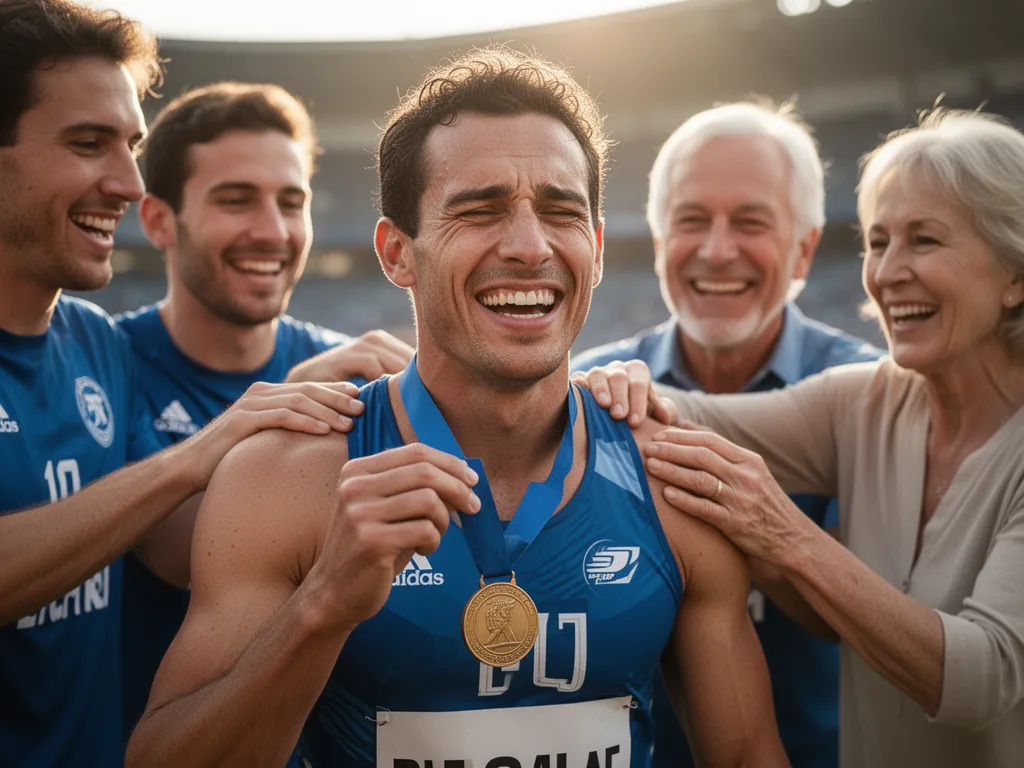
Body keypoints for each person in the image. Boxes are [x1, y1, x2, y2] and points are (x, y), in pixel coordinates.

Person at [125, 47, 788, 768]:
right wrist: (322, 606)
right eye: (481, 209)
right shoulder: (282, 478)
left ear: (596, 249)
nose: (531, 247)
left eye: (562, 212)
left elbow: (749, 754)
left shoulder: (670, 478)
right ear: (396, 254)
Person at [581, 108, 1024, 767]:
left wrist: (783, 536)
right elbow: (683, 416)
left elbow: (979, 678)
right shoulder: (867, 398)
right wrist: (414, 376)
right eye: (877, 242)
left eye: (924, 240)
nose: (887, 271)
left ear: (1016, 274)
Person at [0, 2, 361, 763]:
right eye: (89, 143)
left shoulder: (97, 346)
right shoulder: (136, 349)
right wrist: (206, 448)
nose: (128, 184)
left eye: (129, 147)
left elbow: (175, 546)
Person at [571, 102, 882, 767]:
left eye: (750, 222)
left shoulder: (874, 398)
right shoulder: (581, 391)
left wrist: (748, 526)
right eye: (690, 220)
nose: (716, 251)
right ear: (658, 242)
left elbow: (879, 622)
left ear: (804, 247)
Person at [118, 80, 414, 736]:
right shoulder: (112, 361)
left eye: (292, 202)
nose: (273, 231)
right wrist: (288, 403)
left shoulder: (356, 369)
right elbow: (174, 556)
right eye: (236, 200)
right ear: (159, 220)